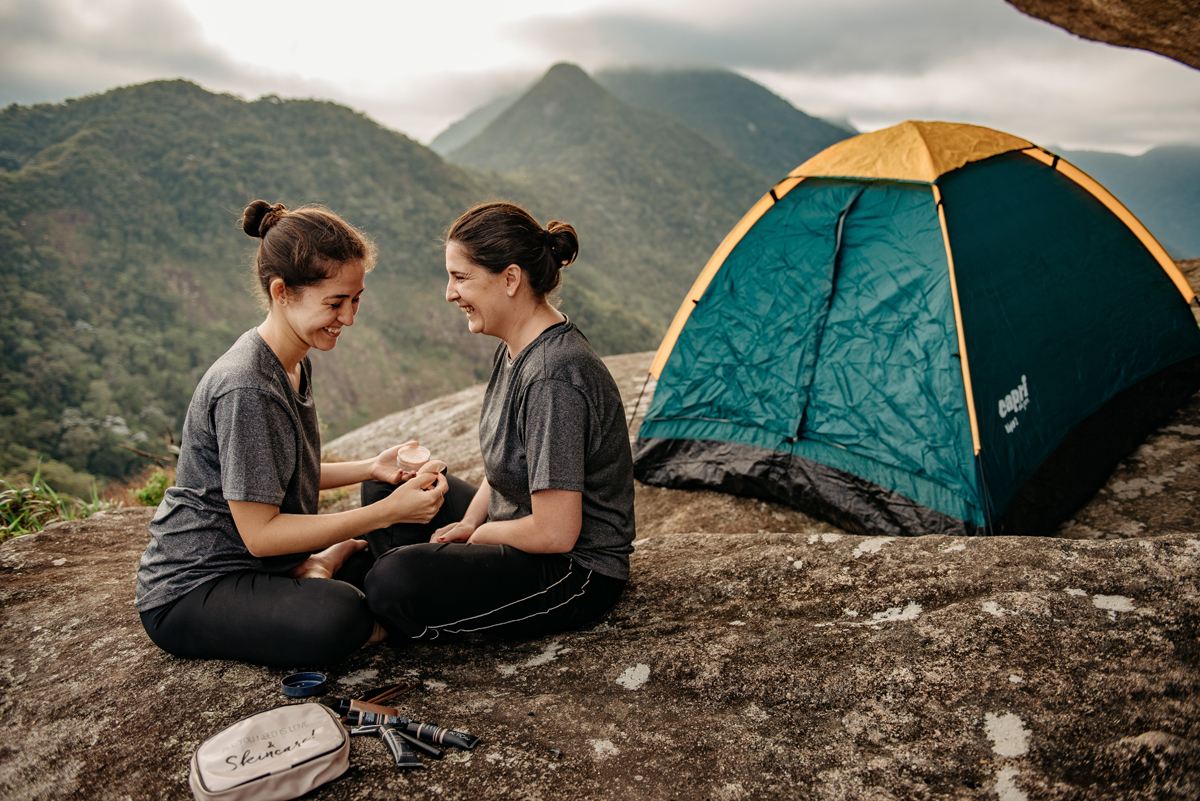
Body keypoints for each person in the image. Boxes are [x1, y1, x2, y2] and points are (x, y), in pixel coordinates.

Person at [134, 200, 447, 667]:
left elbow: (274, 473)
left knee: (392, 559)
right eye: (335, 303)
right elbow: (261, 535)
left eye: (355, 299)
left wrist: (371, 469)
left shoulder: (293, 362)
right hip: (196, 586)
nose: (349, 317)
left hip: (264, 566)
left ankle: (314, 566)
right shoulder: (248, 387)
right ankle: (319, 571)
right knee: (339, 614)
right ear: (281, 292)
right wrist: (384, 512)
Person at [361, 201, 635, 640]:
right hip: (519, 528)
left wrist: (482, 537)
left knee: (390, 580)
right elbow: (509, 466)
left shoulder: (552, 377)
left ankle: (400, 600)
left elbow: (556, 532)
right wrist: (470, 521)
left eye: (460, 277)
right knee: (388, 487)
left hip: (571, 569)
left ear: (510, 279)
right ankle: (414, 590)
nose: (450, 293)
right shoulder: (515, 347)